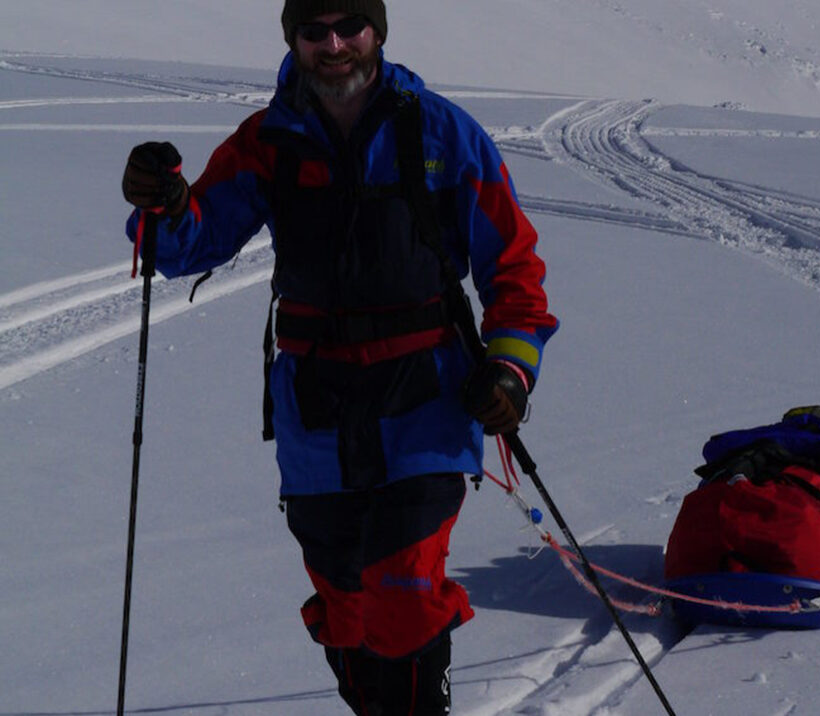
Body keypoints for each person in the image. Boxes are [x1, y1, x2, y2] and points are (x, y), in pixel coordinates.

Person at [120, 1, 558, 713]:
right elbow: (189, 247)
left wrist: (510, 369)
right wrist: (163, 206)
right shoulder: (270, 140)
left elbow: (514, 266)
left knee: (405, 591)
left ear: (376, 32)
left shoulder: (442, 130)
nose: (334, 45)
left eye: (349, 26)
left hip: (426, 402)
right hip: (316, 412)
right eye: (314, 31)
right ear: (293, 38)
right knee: (346, 601)